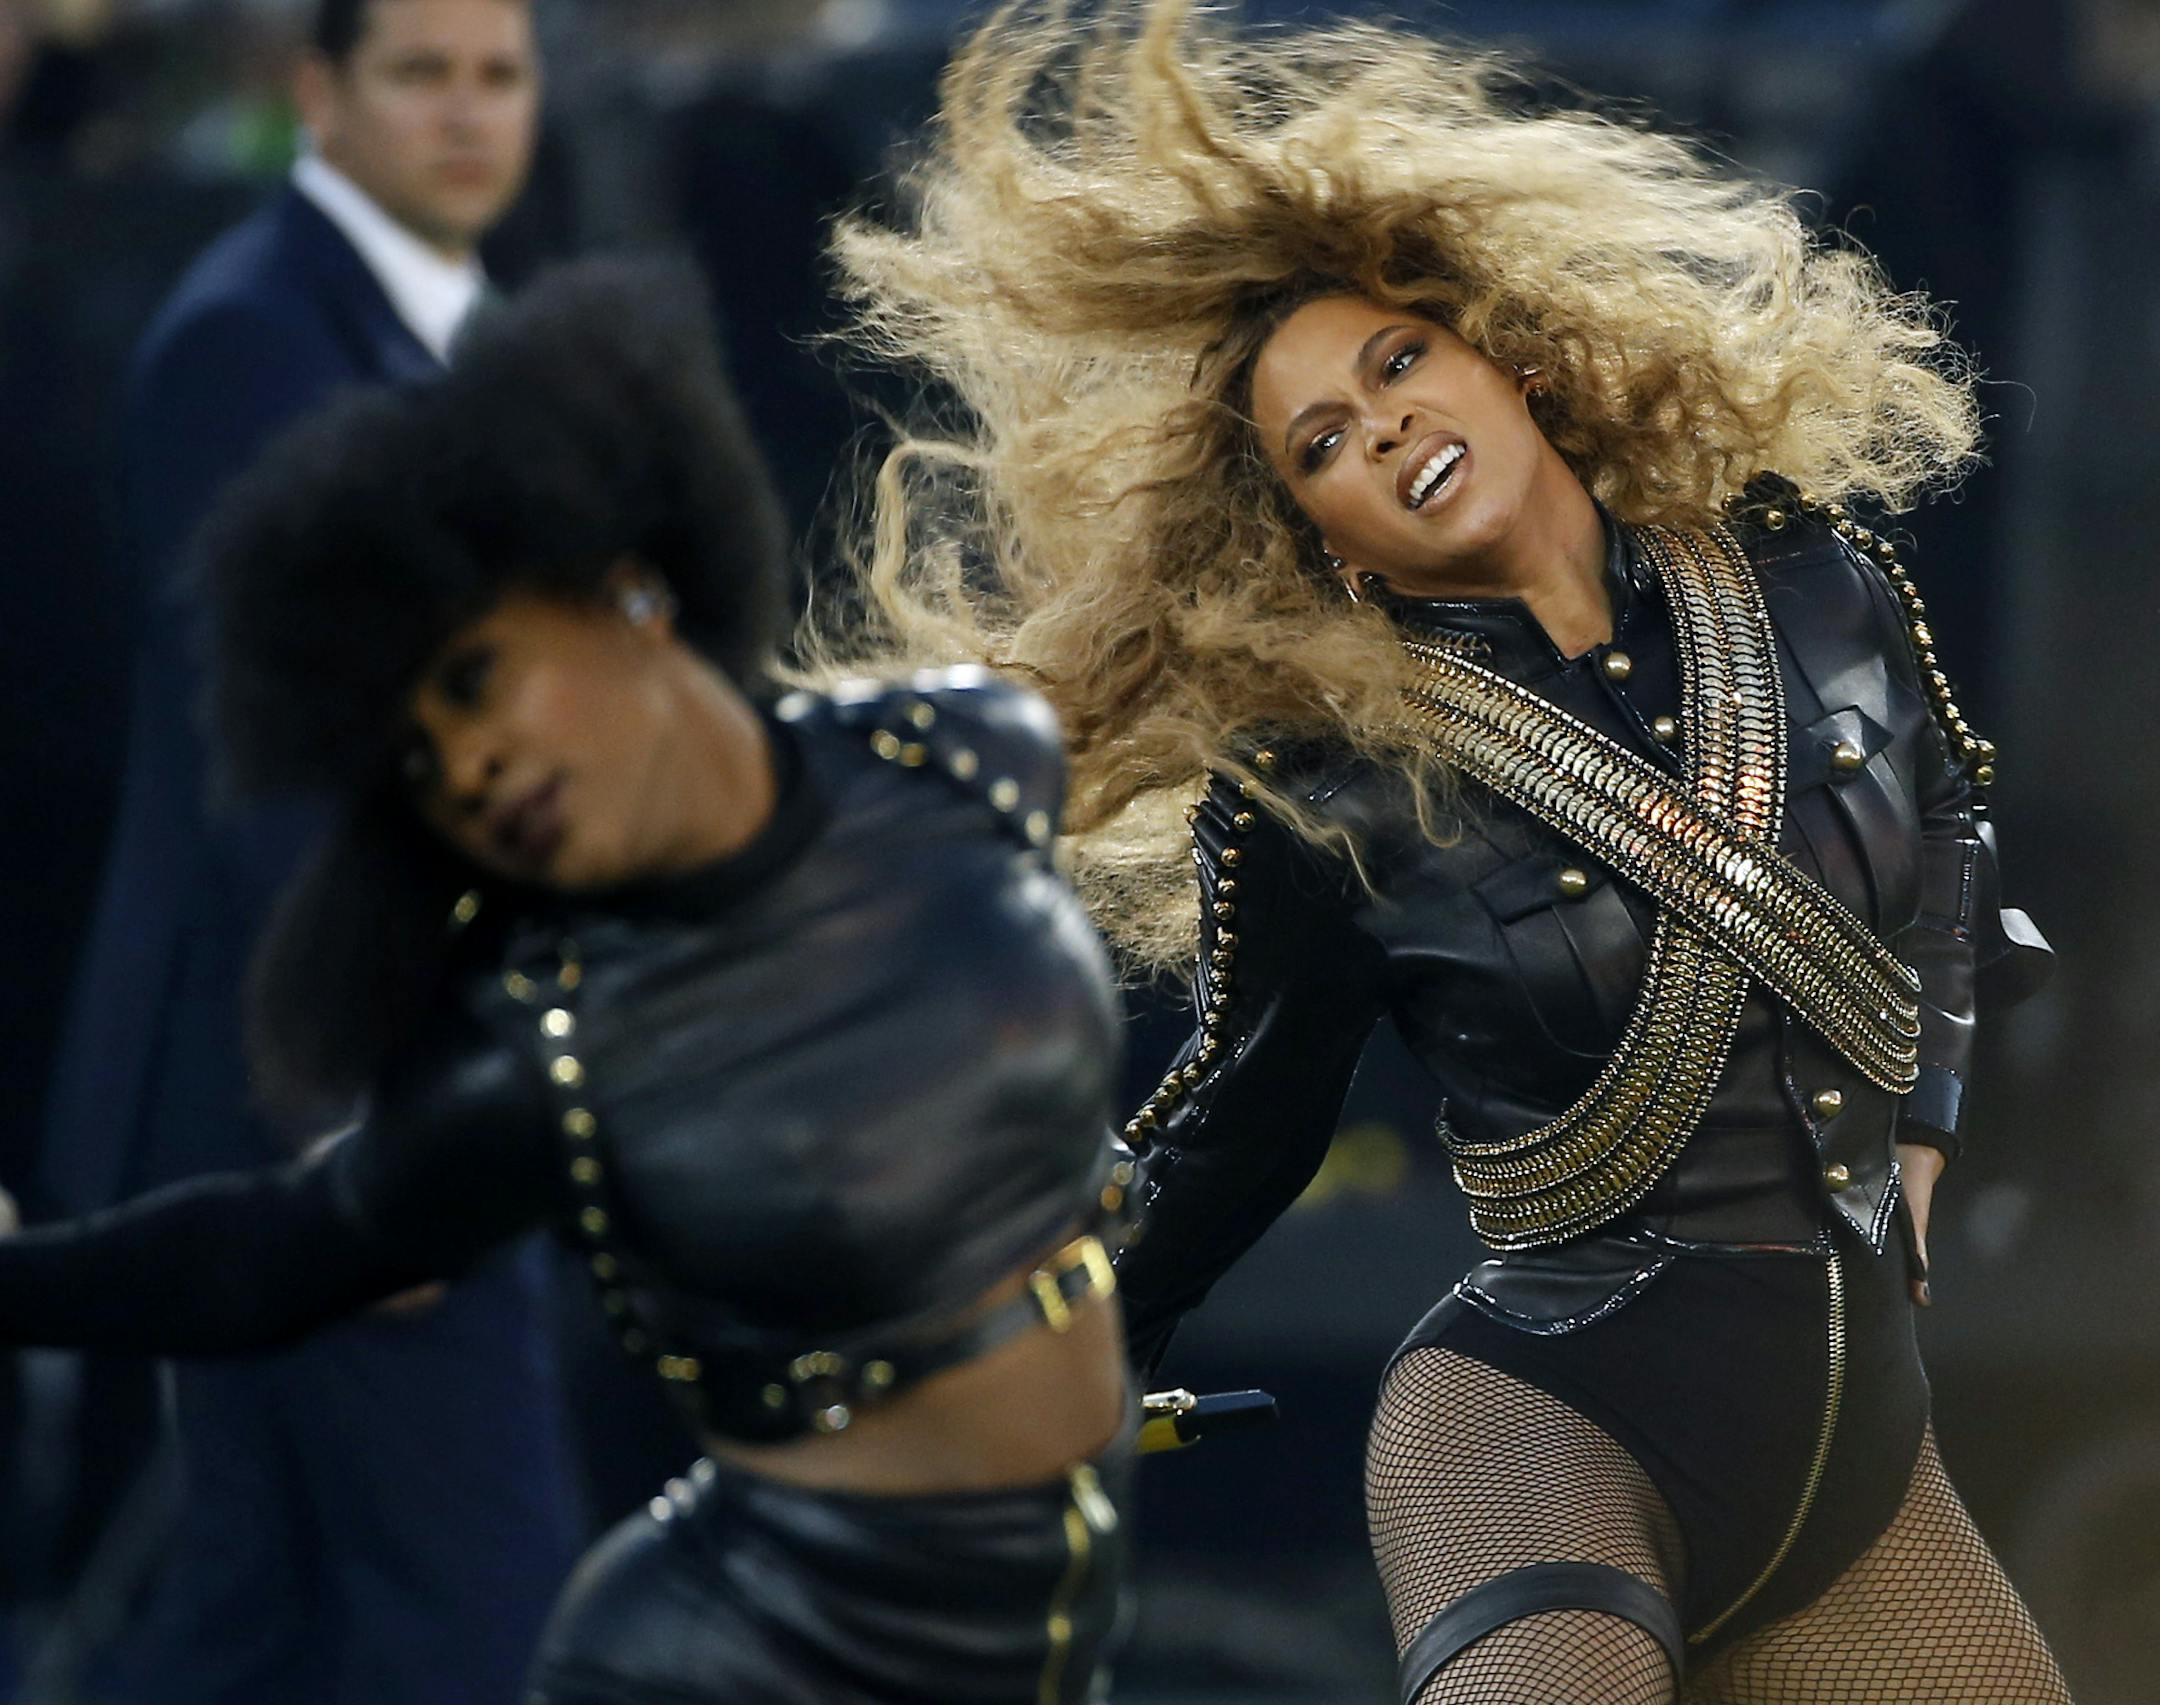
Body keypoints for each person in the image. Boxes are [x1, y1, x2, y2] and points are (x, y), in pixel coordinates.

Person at [815, 3, 2070, 1699]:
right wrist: (991, 1383)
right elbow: (1221, 1134)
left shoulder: (1811, 576)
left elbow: (1953, 831)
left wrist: (1920, 1130)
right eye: (1320, 444)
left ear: (1508, 354)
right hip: (1536, 1417)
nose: (1382, 428)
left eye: (1398, 363)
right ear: (1323, 541)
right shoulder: (1332, 786)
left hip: (1856, 1466)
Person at [3, 257, 1135, 1705]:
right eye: (416, 762)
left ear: (629, 592)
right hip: (735, 1666)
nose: (463, 768)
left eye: (473, 680)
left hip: (1052, 1648)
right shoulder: (538, 1049)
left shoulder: (963, 753)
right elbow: (275, 1254)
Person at [32, 0, 576, 1695]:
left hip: (323, 1088)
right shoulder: (256, 338)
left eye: (497, 77)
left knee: (249, 1610)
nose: (468, 116)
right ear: (315, 96)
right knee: (483, 1603)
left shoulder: (438, 321)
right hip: (329, 1092)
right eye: (421, 76)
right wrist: (361, 1111)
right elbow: (264, 755)